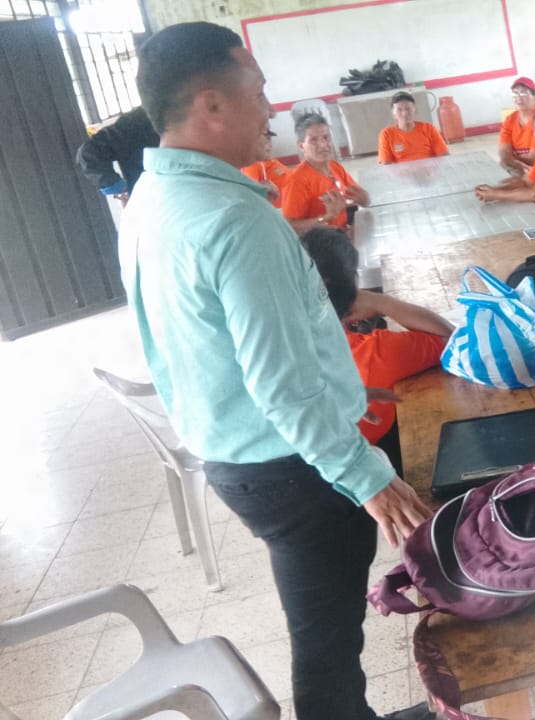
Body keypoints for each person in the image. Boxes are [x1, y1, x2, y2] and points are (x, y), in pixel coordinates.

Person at [121, 22, 432, 720]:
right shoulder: (237, 221)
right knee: (326, 644)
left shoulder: (150, 198)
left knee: (323, 631)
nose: (271, 110)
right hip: (294, 467)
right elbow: (282, 385)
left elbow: (196, 340)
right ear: (212, 105)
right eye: (259, 93)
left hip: (236, 453)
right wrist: (365, 478)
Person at [300, 227, 452, 477]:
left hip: (304, 471)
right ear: (353, 285)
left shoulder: (278, 347)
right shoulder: (375, 351)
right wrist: (380, 302)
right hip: (358, 471)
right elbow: (448, 338)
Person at [281, 113, 371, 233]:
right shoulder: (296, 180)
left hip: (344, 231)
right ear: (301, 146)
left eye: (326, 137)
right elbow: (289, 227)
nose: (323, 144)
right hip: (321, 241)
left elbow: (358, 197)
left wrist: (364, 198)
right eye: (313, 140)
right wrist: (327, 217)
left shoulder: (334, 166)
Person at [75, 105, 160, 207]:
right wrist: (119, 190)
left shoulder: (141, 118)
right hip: (152, 199)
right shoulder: (139, 122)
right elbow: (88, 153)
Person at [377, 90, 449, 164]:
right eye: (399, 109)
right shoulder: (386, 134)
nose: (404, 113)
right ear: (393, 113)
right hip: (403, 171)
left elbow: (444, 155)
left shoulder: (429, 128)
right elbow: (386, 164)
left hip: (430, 170)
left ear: (414, 109)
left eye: (408, 109)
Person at [240, 130, 290, 208]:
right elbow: (253, 192)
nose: (269, 145)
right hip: (280, 210)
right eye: (266, 140)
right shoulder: (253, 165)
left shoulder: (271, 160)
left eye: (269, 139)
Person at [499, 76, 535, 173]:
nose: (518, 97)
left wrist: (511, 158)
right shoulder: (510, 120)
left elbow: (534, 158)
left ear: (534, 96)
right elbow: (503, 152)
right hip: (516, 167)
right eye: (515, 93)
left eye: (524, 93)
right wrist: (513, 161)